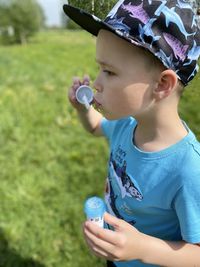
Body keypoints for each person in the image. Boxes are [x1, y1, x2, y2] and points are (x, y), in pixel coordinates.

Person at [63, 0, 200, 266]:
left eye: (109, 72)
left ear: (162, 84)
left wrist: (142, 248)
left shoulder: (188, 169)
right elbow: (94, 126)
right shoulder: (129, 123)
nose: (97, 84)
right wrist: (81, 109)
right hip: (118, 258)